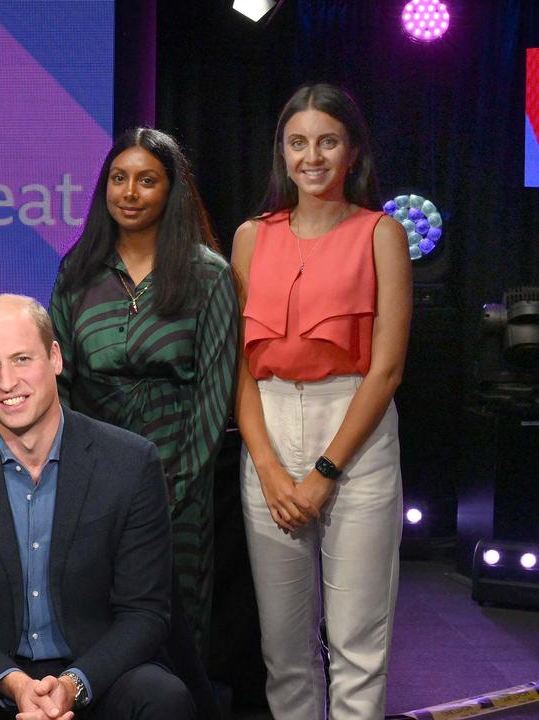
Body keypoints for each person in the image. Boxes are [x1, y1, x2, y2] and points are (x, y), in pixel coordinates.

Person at [0, 294, 194, 720]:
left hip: (97, 671)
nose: (7, 382)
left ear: (55, 357)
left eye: (22, 359)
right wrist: (15, 683)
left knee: (161, 696)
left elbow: (145, 613)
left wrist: (74, 684)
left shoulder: (129, 463)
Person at [231, 83, 410, 719]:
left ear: (352, 150)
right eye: (298, 142)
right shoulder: (251, 236)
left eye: (328, 141)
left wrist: (327, 470)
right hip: (269, 434)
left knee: (357, 643)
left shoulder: (381, 232)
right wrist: (271, 469)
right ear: (281, 152)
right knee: (284, 650)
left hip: (355, 435)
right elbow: (239, 368)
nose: (313, 156)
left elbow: (386, 370)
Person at [49, 128, 238, 653]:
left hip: (179, 481)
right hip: (92, 480)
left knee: (173, 631)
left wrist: (176, 490)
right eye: (118, 178)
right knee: (94, 623)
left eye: (147, 180)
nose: (129, 192)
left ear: (171, 191)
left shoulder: (209, 275)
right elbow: (58, 378)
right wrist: (74, 475)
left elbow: (214, 395)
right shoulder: (77, 271)